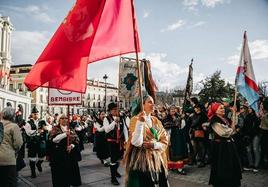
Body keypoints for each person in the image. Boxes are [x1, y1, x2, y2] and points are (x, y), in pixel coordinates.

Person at [124, 95, 169, 187]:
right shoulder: (135, 119)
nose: (153, 104)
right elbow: (136, 142)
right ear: (142, 105)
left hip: (157, 158)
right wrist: (140, 122)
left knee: (161, 182)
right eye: (150, 102)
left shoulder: (156, 120)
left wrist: (154, 145)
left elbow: (165, 140)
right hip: (141, 160)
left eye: (153, 102)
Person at [208, 102, 242, 187]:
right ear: (215, 111)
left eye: (223, 107)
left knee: (231, 166)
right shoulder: (214, 121)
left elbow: (234, 124)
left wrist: (234, 113)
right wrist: (233, 130)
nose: (223, 109)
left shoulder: (225, 119)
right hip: (221, 148)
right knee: (222, 167)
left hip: (228, 146)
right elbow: (225, 133)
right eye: (221, 108)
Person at [48, 114, 81, 187]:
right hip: (59, 154)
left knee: (71, 172)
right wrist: (65, 134)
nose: (64, 120)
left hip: (70, 154)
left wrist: (71, 146)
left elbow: (76, 139)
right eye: (62, 118)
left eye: (66, 118)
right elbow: (54, 139)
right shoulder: (55, 128)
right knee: (60, 174)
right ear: (59, 120)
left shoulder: (71, 128)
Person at [104, 102, 127, 185]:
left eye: (117, 109)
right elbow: (106, 130)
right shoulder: (106, 118)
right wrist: (114, 122)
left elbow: (124, 129)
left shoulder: (121, 117)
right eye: (114, 110)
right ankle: (113, 178)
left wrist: (126, 140)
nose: (116, 111)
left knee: (119, 158)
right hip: (111, 142)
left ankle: (115, 171)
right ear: (110, 111)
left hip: (120, 141)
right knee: (113, 159)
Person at [0, 107, 23, 187]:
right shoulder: (14, 126)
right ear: (13, 116)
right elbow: (18, 143)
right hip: (8, 159)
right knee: (10, 183)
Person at [163, 105, 188, 175]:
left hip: (179, 136)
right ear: (169, 111)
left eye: (174, 110)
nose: (173, 111)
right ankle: (176, 167)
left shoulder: (178, 116)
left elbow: (182, 126)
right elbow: (166, 126)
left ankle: (180, 167)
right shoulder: (166, 118)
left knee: (180, 151)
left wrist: (182, 119)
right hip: (172, 137)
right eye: (171, 110)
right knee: (174, 152)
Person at [24, 107, 44, 178]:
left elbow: (50, 126)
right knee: (32, 158)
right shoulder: (28, 123)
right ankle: (33, 173)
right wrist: (37, 131)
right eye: (34, 114)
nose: (36, 115)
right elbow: (28, 132)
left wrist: (47, 128)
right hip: (32, 143)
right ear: (32, 114)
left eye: (37, 114)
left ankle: (38, 164)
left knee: (42, 157)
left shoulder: (42, 121)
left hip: (41, 142)